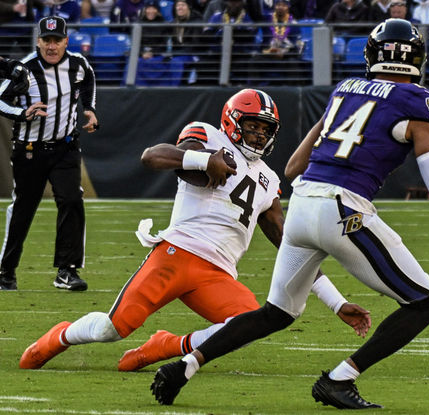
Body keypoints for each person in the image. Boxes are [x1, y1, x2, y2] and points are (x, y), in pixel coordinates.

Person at [149, 19, 429, 409]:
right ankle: (340, 378)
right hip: (344, 209)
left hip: (301, 207)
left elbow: (293, 166)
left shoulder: (345, 89)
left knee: (276, 313)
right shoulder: (419, 102)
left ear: (372, 54)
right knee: (423, 304)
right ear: (418, 58)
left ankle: (185, 366)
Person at [18, 88, 371, 371]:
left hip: (217, 274)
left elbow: (291, 246)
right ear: (233, 122)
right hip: (175, 255)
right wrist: (206, 159)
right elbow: (152, 157)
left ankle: (167, 345)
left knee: (247, 326)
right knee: (111, 329)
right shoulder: (209, 137)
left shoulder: (268, 179)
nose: (259, 134)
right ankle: (59, 336)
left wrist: (337, 303)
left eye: (266, 129)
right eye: (253, 126)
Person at [0, 16, 98, 292]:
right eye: (47, 40)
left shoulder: (78, 64)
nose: (52, 46)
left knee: (71, 200)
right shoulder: (25, 69)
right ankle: (6, 270)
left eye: (57, 40)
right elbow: (1, 100)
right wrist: (22, 112)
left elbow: (88, 79)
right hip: (30, 149)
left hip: (65, 147)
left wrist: (89, 109)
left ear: (66, 41)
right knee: (23, 209)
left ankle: (67, 271)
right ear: (38, 41)